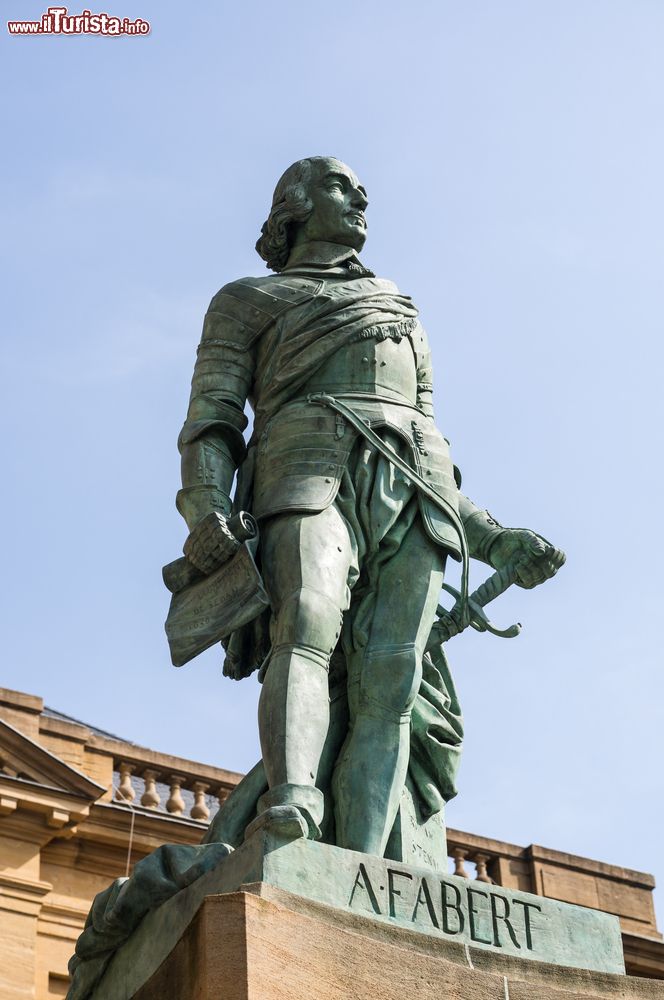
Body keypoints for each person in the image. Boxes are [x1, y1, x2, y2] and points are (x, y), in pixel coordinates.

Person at [177, 156, 563, 858]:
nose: (359, 196)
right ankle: (293, 803)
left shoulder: (399, 306)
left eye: (360, 189)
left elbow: (429, 434)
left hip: (415, 494)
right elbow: (213, 418)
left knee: (392, 676)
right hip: (303, 473)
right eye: (338, 185)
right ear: (293, 205)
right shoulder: (245, 299)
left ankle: (362, 862)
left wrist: (494, 536)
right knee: (308, 622)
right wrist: (204, 502)